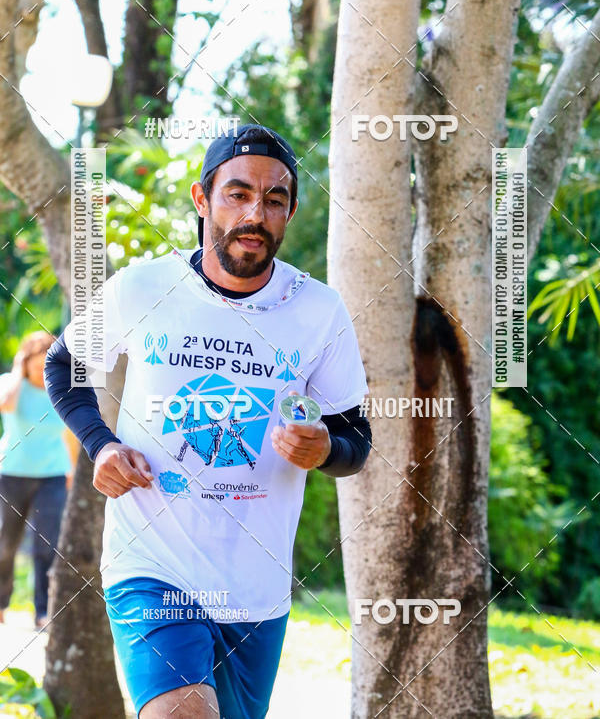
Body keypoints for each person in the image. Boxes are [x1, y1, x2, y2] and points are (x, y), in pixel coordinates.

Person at [45, 124, 371, 718]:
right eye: (238, 194)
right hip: (153, 565)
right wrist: (102, 444)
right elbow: (65, 364)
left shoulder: (319, 310)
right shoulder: (144, 287)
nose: (255, 212)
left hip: (256, 588)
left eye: (274, 200)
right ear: (202, 199)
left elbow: (358, 439)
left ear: (291, 211)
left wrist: (324, 448)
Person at [0, 331, 74, 629]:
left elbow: (70, 434)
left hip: (52, 475)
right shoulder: (10, 383)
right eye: (35, 361)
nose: (41, 368)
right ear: (26, 361)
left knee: (47, 544)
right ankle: (2, 603)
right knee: (6, 543)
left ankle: (43, 611)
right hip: (12, 473)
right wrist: (18, 369)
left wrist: (72, 470)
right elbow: (4, 405)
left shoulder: (61, 388)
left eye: (46, 361)